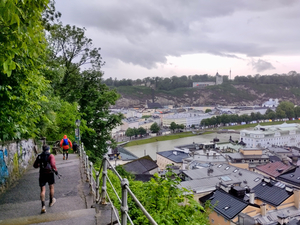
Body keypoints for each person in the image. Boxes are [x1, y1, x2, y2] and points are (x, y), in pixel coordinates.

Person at [33, 145, 58, 214]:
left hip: (42, 174)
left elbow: (35, 165)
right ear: (48, 149)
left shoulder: (39, 156)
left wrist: (39, 165)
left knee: (43, 190)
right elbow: (53, 164)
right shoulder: (50, 156)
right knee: (51, 187)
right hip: (49, 173)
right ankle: (51, 201)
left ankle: (43, 206)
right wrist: (55, 170)